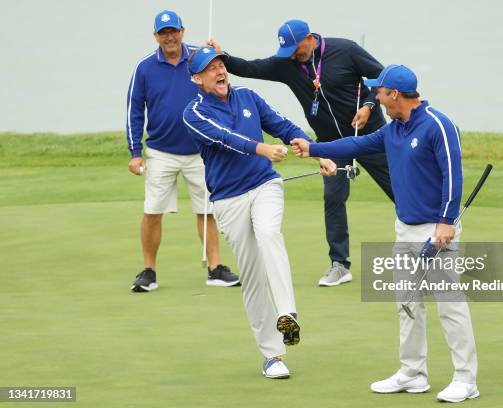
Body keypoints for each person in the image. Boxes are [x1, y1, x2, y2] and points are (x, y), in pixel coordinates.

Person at [291, 65, 479, 402]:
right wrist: (314, 148)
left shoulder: (438, 124)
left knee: (449, 305)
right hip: (404, 229)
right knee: (407, 304)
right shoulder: (393, 130)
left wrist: (447, 221)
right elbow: (354, 145)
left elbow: (454, 175)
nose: (375, 97)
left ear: (394, 94)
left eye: (379, 92)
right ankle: (413, 373)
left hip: (435, 230)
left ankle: (466, 378)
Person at [182, 46, 337, 378]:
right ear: (198, 79)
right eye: (210, 68)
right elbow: (225, 138)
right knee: (251, 276)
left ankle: (287, 313)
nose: (219, 70)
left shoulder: (249, 96)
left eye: (221, 64)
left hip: (265, 184)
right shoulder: (193, 114)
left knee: (269, 233)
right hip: (227, 200)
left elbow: (282, 125)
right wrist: (261, 148)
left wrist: (317, 152)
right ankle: (272, 356)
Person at [208, 19, 395, 287]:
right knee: (333, 198)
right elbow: (250, 67)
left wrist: (367, 106)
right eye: (289, 52)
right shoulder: (287, 64)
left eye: (296, 49)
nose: (294, 56)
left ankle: (429, 244)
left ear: (309, 38)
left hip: (368, 135)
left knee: (398, 187)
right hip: (330, 144)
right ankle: (339, 265)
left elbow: (382, 78)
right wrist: (221, 56)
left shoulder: (346, 50)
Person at [126, 10, 239, 292]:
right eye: (164, 33)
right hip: (161, 151)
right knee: (153, 210)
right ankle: (149, 271)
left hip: (201, 150)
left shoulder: (200, 59)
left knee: (207, 210)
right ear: (155, 36)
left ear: (182, 31)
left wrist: (219, 58)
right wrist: (134, 152)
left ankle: (215, 268)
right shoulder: (145, 67)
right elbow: (134, 110)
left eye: (173, 31)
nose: (169, 37)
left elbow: (222, 87)